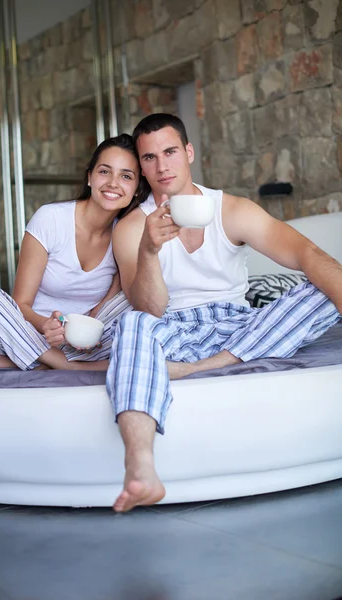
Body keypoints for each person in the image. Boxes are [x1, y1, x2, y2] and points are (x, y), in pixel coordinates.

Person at [107, 113, 342, 512]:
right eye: (149, 158)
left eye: (170, 152)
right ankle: (141, 466)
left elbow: (307, 254)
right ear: (142, 167)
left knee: (320, 286)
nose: (162, 166)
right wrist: (149, 249)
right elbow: (149, 309)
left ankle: (201, 368)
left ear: (189, 152)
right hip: (174, 330)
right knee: (132, 324)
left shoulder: (231, 210)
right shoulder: (131, 227)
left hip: (239, 326)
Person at [0, 134, 148, 371]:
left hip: (80, 346)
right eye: (105, 171)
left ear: (136, 189)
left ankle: (38, 362)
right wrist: (47, 326)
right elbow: (20, 303)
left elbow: (106, 306)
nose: (113, 183)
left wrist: (86, 330)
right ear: (90, 177)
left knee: (141, 293)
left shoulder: (125, 234)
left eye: (126, 176)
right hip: (19, 334)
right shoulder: (51, 219)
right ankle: (50, 360)